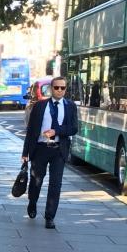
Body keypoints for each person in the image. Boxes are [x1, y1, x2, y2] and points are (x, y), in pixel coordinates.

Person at [21, 76, 78, 229]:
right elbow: (31, 131)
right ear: (51, 89)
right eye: (56, 87)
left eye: (62, 88)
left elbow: (74, 128)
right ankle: (32, 202)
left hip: (59, 150)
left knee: (55, 184)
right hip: (40, 148)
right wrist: (25, 153)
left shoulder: (70, 106)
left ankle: (50, 217)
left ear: (65, 89)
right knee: (36, 181)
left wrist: (56, 131)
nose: (59, 90)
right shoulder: (40, 106)